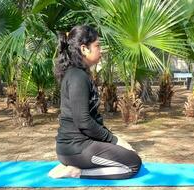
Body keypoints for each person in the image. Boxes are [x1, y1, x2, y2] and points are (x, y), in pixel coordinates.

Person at [48, 25, 142, 179]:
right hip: (75, 149)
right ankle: (76, 172)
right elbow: (83, 121)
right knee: (133, 164)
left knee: (127, 153)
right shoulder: (77, 76)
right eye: (97, 46)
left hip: (76, 147)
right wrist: (115, 140)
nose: (101, 50)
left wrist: (113, 140)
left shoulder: (77, 74)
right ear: (84, 49)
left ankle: (74, 165)